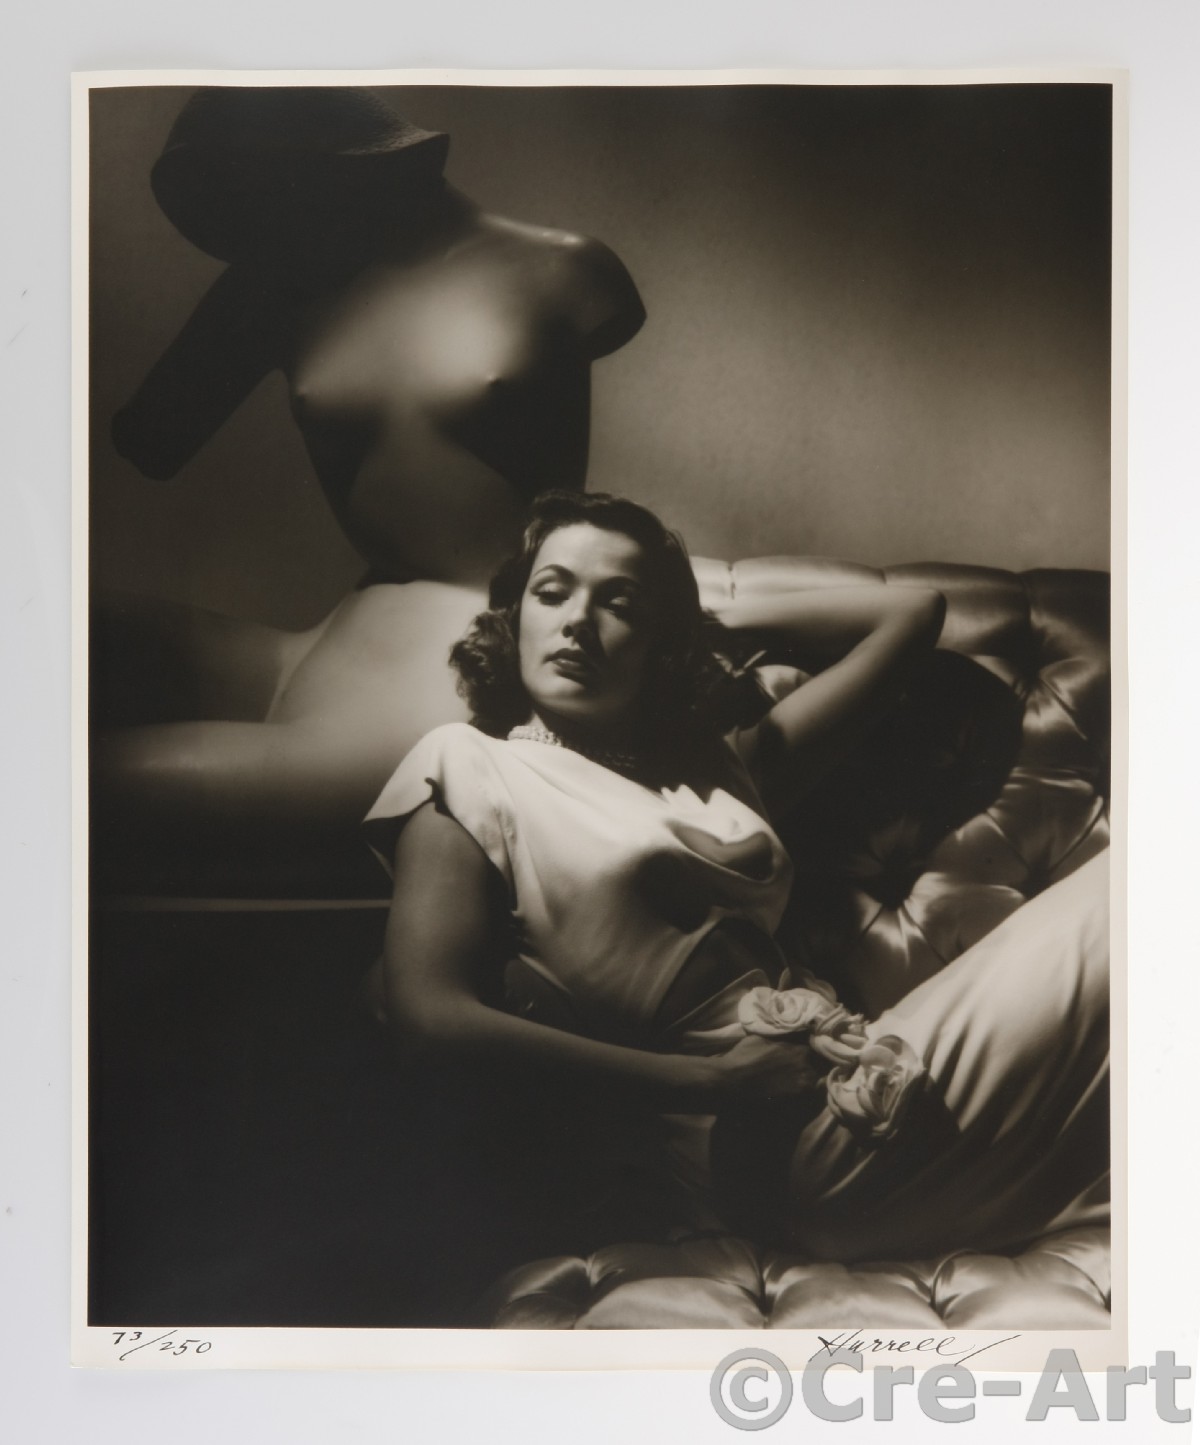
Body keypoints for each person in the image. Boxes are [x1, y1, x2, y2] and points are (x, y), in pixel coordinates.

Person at [363, 490, 1109, 1264]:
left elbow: (912, 614)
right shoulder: (467, 762)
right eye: (552, 593)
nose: (578, 620)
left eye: (619, 605)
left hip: (867, 1074)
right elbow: (429, 1020)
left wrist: (703, 618)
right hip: (775, 1150)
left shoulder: (720, 770)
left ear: (660, 640)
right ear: (515, 616)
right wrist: (710, 1081)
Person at [94, 86, 646, 892]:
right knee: (55, 635)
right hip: (333, 640)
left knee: (78, 778)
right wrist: (247, 298)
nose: (266, 218)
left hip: (458, 666)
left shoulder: (566, 268)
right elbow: (152, 439)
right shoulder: (284, 284)